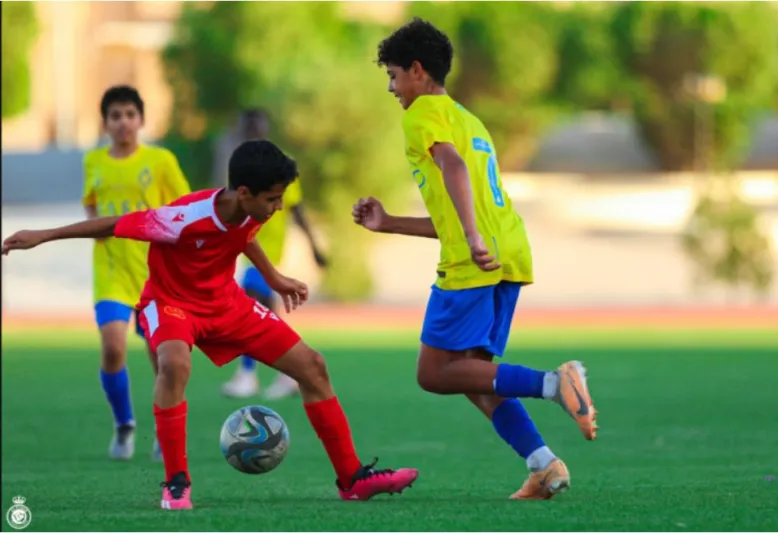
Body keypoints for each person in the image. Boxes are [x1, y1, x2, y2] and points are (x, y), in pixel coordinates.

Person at [3, 140, 418, 510]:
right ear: (243, 192)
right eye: (273, 199)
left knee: (313, 366)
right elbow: (115, 224)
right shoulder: (182, 217)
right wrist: (43, 234)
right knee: (174, 365)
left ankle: (353, 480)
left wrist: (273, 278)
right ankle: (176, 483)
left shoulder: (252, 210)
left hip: (226, 304)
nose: (278, 207)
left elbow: (244, 235)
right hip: (171, 303)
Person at [353, 18, 598, 500]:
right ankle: (543, 465)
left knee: (433, 373)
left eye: (394, 74)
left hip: (474, 256)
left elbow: (453, 167)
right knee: (475, 374)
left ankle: (555, 383)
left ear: (418, 71)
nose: (391, 87)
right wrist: (391, 223)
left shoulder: (421, 114)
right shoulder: (467, 118)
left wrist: (469, 237)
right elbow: (464, 199)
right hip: (507, 250)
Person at [83, 85, 191, 461]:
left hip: (154, 275)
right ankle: (124, 423)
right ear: (106, 123)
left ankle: (166, 429)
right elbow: (92, 206)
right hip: (111, 272)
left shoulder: (161, 160)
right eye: (115, 116)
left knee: (162, 358)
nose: (123, 122)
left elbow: (183, 207)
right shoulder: (94, 162)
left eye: (130, 114)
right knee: (113, 348)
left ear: (141, 119)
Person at [219, 109, 328, 400]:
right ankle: (290, 373)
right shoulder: (241, 166)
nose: (252, 131)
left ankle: (249, 375)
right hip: (248, 248)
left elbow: (297, 210)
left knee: (250, 306)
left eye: (257, 126)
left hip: (268, 250)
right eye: (248, 127)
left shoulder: (279, 167)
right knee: (263, 312)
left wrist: (314, 247)